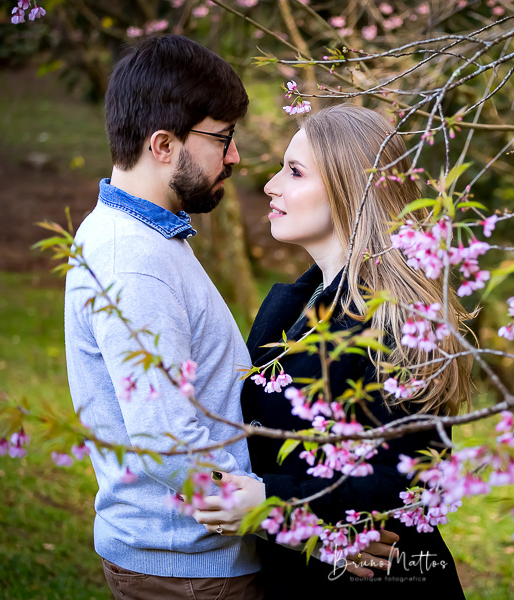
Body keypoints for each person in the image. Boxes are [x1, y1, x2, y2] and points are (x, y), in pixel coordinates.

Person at [194, 105, 472, 598]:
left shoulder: (398, 320)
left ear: (350, 190)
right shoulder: (293, 305)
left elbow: (418, 477)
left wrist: (273, 503)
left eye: (295, 172)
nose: (271, 186)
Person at [63, 34, 266, 599]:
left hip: (188, 561)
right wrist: (287, 518)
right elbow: (166, 440)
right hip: (189, 569)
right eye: (221, 138)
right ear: (162, 144)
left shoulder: (142, 237)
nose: (234, 156)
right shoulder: (134, 260)